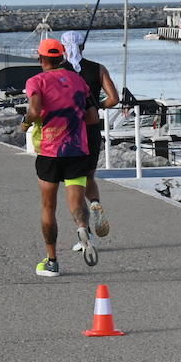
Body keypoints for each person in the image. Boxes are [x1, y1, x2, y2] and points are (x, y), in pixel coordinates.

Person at [20, 38, 96, 278]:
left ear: (40, 58)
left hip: (50, 153)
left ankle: (52, 261)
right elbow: (92, 117)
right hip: (77, 151)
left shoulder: (36, 81)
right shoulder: (78, 80)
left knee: (48, 207)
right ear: (61, 57)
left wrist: (25, 124)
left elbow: (33, 110)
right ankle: (83, 229)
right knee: (75, 202)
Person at [59, 31, 118, 245]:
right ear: (83, 47)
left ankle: (84, 232)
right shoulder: (98, 68)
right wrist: (95, 106)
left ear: (63, 48)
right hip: (92, 129)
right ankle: (94, 202)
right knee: (89, 176)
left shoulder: (59, 72)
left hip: (69, 131)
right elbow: (114, 99)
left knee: (73, 182)